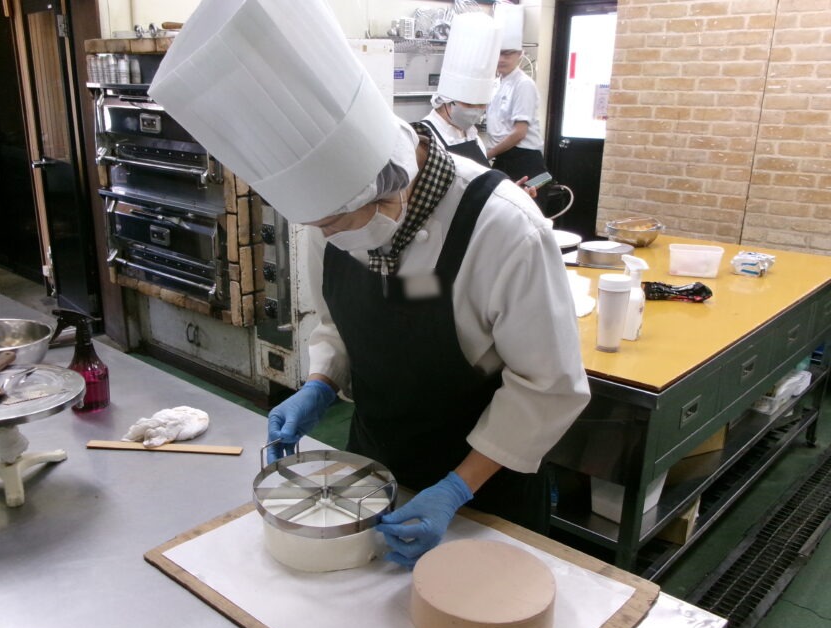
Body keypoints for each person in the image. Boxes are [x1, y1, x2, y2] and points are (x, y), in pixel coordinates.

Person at [151, 0, 589, 569]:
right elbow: (342, 322)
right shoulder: (327, 213)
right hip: (371, 475)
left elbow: (547, 386)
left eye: (336, 222)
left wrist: (455, 489)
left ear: (388, 186)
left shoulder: (504, 229)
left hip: (486, 491)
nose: (328, 235)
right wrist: (320, 382)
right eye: (318, 224)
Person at [418, 13, 501, 167]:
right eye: (469, 104)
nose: (475, 111)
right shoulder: (424, 138)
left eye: (482, 105)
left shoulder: (473, 137)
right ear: (447, 100)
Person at [485, 22, 552, 211]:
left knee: (525, 216)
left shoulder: (523, 84)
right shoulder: (497, 83)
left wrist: (487, 154)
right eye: (498, 53)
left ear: (520, 54)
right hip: (504, 158)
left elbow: (519, 133)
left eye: (507, 54)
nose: (501, 59)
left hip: (525, 161)